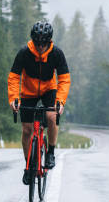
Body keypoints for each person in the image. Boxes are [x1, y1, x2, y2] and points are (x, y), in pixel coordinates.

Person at [8, 20, 71, 185]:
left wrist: (60, 102)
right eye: (37, 43)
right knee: (27, 130)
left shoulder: (57, 53)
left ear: (49, 41)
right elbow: (14, 77)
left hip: (49, 89)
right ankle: (28, 167)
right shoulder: (24, 53)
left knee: (51, 116)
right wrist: (14, 98)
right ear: (33, 41)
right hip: (28, 91)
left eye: (43, 43)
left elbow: (64, 79)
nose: (40, 47)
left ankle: (50, 152)